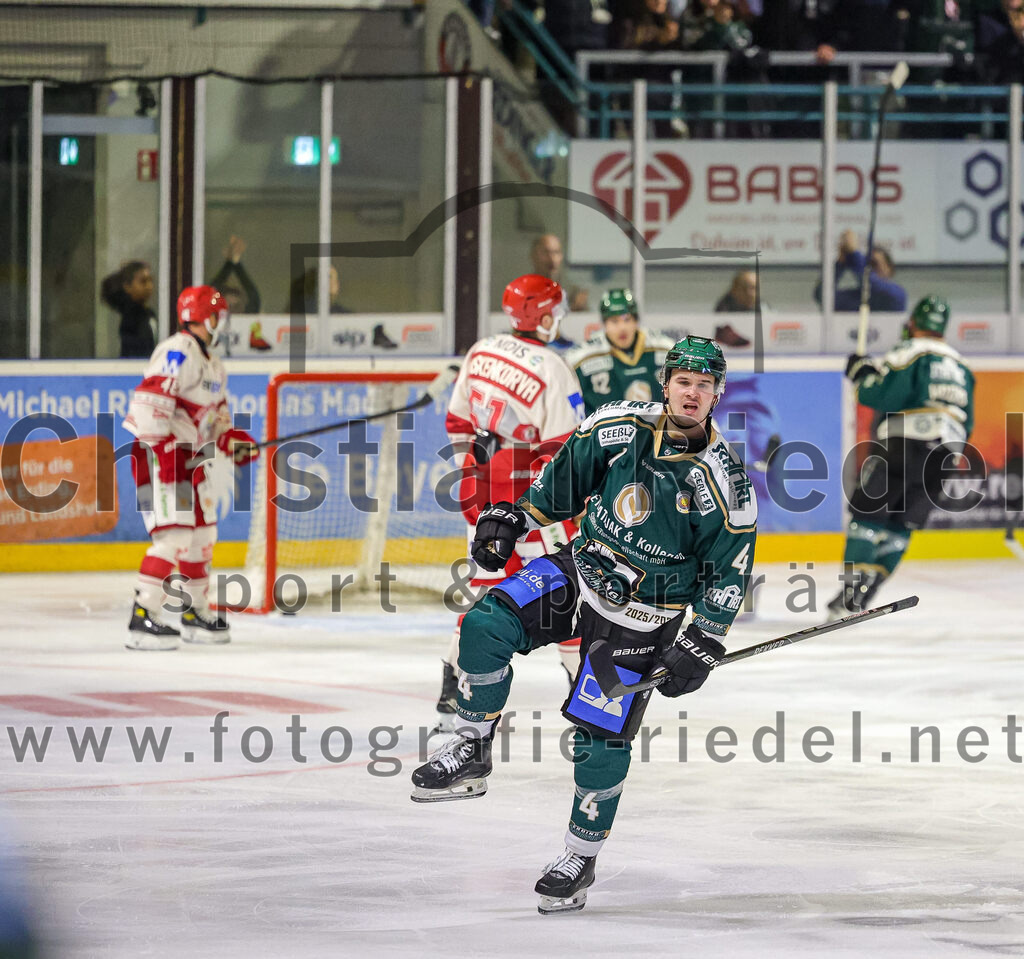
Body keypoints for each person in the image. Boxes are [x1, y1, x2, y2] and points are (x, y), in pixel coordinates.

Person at [411, 335, 757, 916]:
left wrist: (705, 637)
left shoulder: (724, 483)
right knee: (485, 625)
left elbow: (730, 570)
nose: (692, 394)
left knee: (599, 738)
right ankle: (471, 748)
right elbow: (560, 486)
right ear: (666, 383)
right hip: (581, 569)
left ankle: (579, 855)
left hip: (644, 616)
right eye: (683, 382)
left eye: (704, 385)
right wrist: (514, 516)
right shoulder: (617, 427)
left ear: (717, 395)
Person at [432, 273, 587, 733]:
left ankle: (454, 695)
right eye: (554, 310)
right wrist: (562, 505)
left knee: (482, 595)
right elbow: (563, 450)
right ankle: (586, 701)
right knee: (568, 594)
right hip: (532, 505)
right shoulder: (553, 367)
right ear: (540, 314)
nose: (558, 318)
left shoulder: (481, 351)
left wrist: (470, 480)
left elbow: (459, 423)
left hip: (483, 499)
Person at [122, 285, 259, 651]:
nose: (221, 323)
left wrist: (232, 441)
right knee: (175, 537)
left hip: (190, 459)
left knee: (202, 536)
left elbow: (217, 421)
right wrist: (166, 454)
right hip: (162, 455)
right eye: (216, 315)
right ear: (199, 318)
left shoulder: (213, 363)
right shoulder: (177, 350)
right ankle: (142, 617)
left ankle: (193, 611)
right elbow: (151, 401)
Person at [827, 295, 974, 617]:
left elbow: (880, 393)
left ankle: (850, 596)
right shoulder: (962, 367)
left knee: (867, 517)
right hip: (947, 453)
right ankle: (868, 591)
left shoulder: (910, 352)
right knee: (900, 525)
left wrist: (862, 372)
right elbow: (969, 422)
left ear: (912, 324)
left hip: (904, 443)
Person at [566, 287, 675, 415]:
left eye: (627, 319)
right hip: (603, 432)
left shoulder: (665, 348)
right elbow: (567, 396)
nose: (622, 327)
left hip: (657, 431)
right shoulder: (582, 357)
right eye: (614, 321)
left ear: (636, 321)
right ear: (604, 324)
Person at [289, 264, 397, 349]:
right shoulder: (300, 312)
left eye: (331, 278)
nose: (327, 282)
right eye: (323, 278)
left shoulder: (345, 315)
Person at [815, 229, 908, 313]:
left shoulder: (897, 294)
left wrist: (854, 253)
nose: (869, 269)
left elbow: (871, 282)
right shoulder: (856, 298)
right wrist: (840, 263)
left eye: (874, 264)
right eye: (866, 264)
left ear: (889, 269)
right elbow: (822, 296)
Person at [100, 260, 157, 358]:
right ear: (127, 287)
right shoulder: (131, 317)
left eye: (150, 280)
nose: (149, 286)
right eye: (143, 282)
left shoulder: (149, 314)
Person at [530, 234, 589, 312]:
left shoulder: (573, 293)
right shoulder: (523, 291)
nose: (552, 258)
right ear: (534, 256)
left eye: (556, 252)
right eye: (546, 252)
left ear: (561, 256)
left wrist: (578, 309)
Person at [713, 269, 760, 347]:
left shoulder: (762, 306)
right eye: (745, 288)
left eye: (755, 288)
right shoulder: (724, 307)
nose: (751, 293)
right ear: (735, 289)